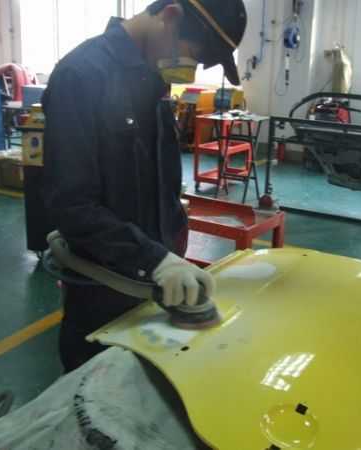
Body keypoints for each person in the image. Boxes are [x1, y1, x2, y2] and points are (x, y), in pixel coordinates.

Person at [42, 0, 248, 372]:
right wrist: (155, 261)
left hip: (154, 291)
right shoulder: (81, 76)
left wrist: (173, 252)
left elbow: (158, 182)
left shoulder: (152, 78)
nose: (190, 69)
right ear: (170, 16)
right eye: (194, 55)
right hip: (101, 298)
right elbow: (72, 206)